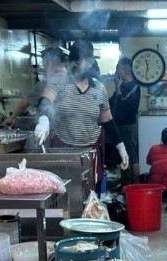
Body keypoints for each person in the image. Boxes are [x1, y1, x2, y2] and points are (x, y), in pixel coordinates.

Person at [33, 40, 128, 192]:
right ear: (71, 62)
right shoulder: (58, 83)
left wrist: (121, 146)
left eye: (86, 63)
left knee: (92, 194)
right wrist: (43, 120)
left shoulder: (99, 88)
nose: (82, 67)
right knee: (65, 193)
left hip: (91, 151)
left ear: (91, 62)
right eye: (78, 63)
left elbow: (108, 121)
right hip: (63, 149)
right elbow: (44, 102)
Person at [2, 47, 66, 128]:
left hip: (52, 131)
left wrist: (10, 119)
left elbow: (23, 105)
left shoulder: (45, 85)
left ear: (50, 64)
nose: (44, 68)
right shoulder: (75, 81)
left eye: (44, 65)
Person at [109, 57, 141, 185]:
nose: (116, 71)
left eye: (118, 68)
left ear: (125, 69)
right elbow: (112, 102)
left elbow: (124, 101)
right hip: (119, 125)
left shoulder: (134, 86)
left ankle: (135, 185)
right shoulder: (123, 85)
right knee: (123, 154)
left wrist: (117, 86)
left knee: (132, 156)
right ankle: (126, 184)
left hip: (128, 125)